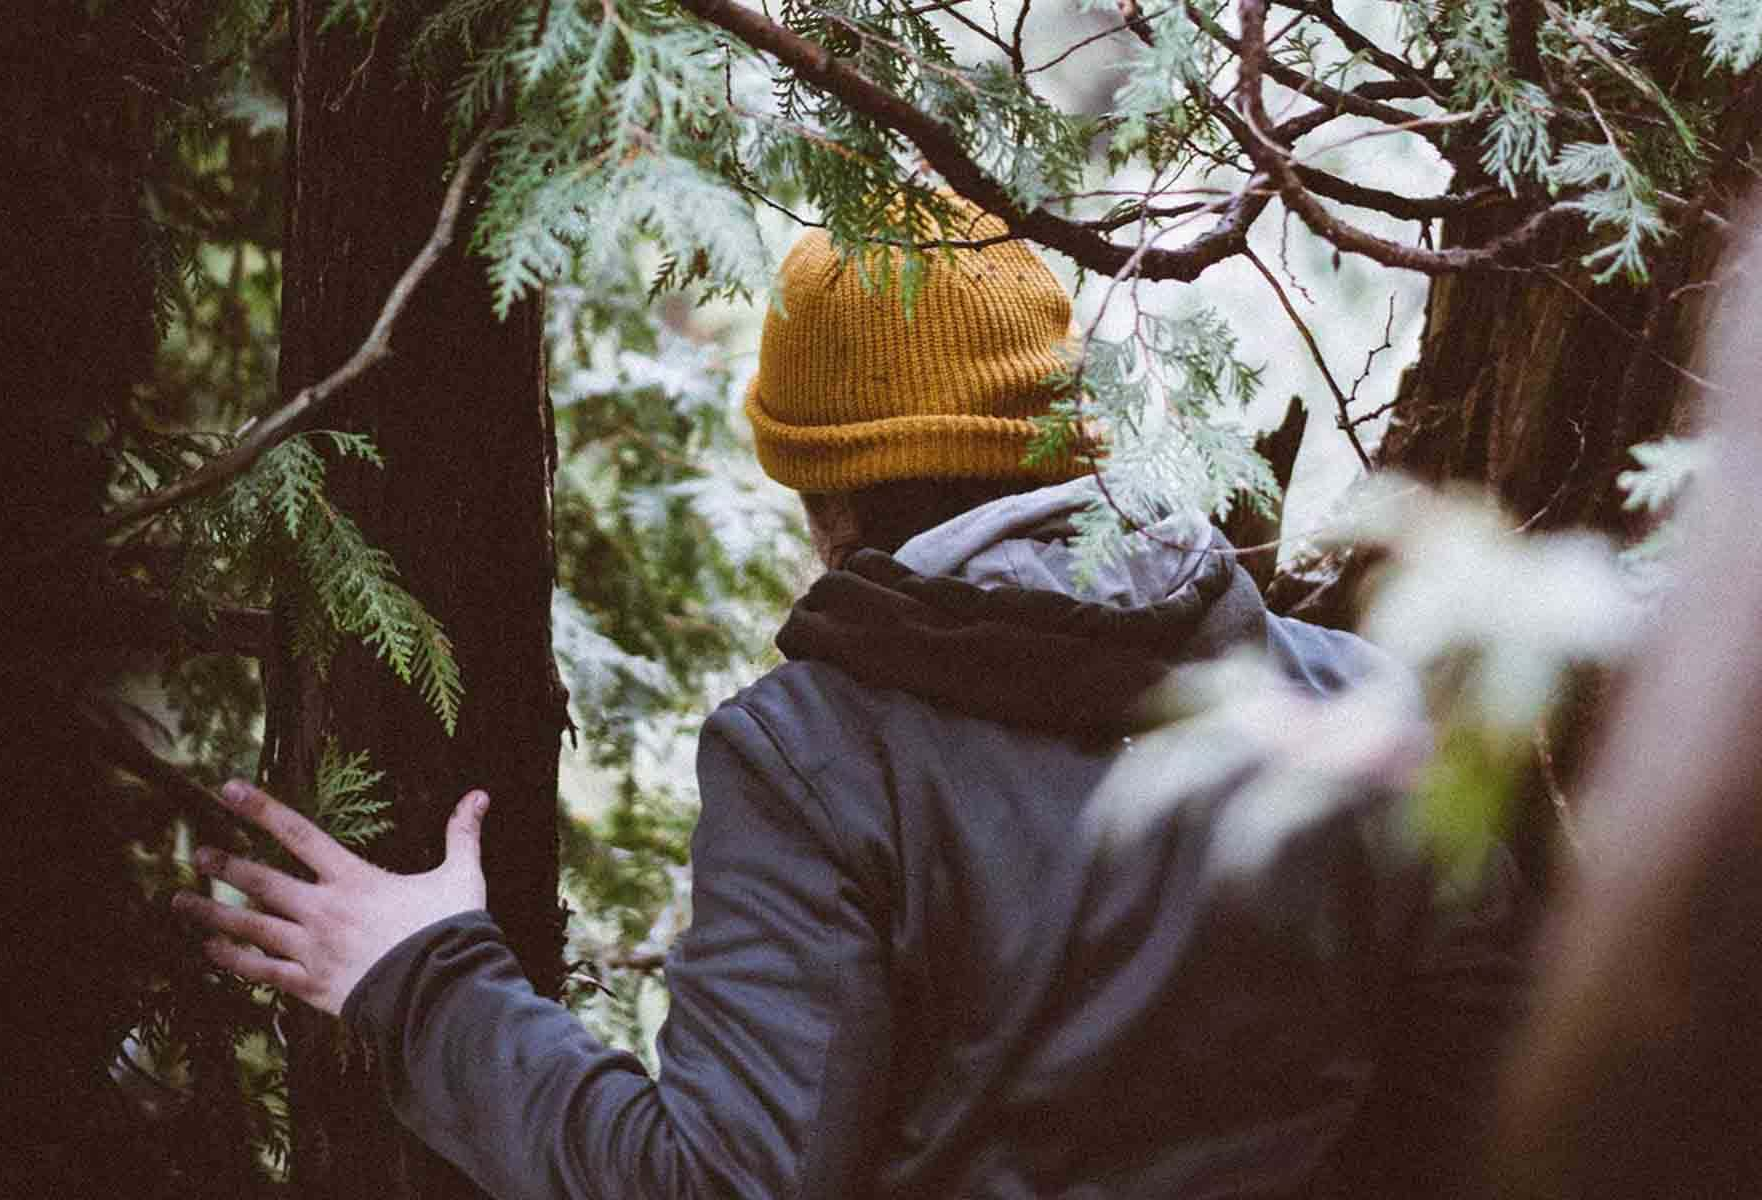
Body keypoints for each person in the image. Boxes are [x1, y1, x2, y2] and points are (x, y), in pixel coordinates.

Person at [175, 195, 1524, 1199]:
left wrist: (424, 981)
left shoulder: (812, 762)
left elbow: (716, 1186)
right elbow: (1495, 1102)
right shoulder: (1366, 705)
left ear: (827, 498)